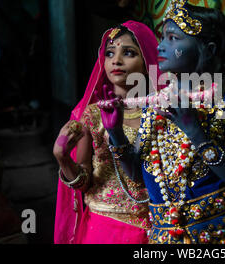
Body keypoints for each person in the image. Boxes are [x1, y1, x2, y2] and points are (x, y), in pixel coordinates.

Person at [102, 0, 225, 244]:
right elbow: (138, 175)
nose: (161, 46)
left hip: (214, 234)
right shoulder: (154, 104)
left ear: (208, 50)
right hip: (163, 237)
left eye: (174, 38)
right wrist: (115, 134)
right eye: (163, 37)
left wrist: (195, 130)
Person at [53, 20, 162, 244]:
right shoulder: (92, 116)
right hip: (104, 228)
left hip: (155, 227)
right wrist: (63, 159)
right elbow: (85, 183)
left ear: (147, 60)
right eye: (110, 53)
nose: (116, 60)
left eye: (129, 52)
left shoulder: (161, 112)